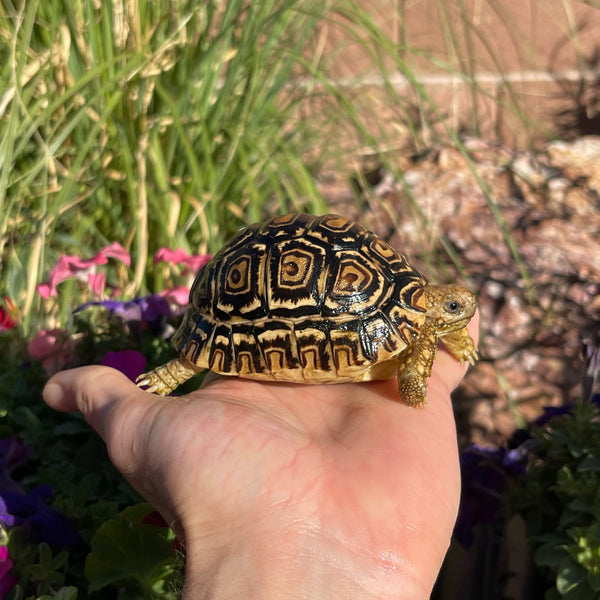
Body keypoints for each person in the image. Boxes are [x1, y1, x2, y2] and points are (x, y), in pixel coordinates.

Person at [43, 315, 478, 599]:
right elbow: (417, 363)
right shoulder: (410, 329)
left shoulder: (417, 327)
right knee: (191, 361)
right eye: (453, 307)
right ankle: (183, 364)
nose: (464, 308)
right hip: (258, 305)